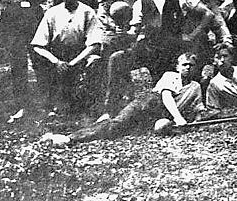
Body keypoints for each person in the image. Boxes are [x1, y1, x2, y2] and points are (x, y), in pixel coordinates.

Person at [105, 0, 215, 112]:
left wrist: (192, 35)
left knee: (168, 92)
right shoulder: (141, 3)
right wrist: (123, 33)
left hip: (174, 50)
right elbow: (134, 30)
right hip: (150, 49)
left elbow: (208, 14)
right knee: (117, 59)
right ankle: (112, 107)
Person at [58, 52, 205, 145]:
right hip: (149, 103)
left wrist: (193, 124)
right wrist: (178, 118)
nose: (187, 68)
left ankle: (82, 132)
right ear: (178, 67)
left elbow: (197, 109)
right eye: (184, 65)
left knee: (122, 132)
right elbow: (166, 97)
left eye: (191, 65)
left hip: (160, 116)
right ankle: (70, 138)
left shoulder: (195, 86)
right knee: (116, 126)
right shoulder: (170, 76)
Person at [30, 0, 97, 114]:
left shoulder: (87, 12)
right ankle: (51, 103)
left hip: (78, 57)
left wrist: (74, 62)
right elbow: (38, 45)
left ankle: (86, 102)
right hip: (56, 58)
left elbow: (94, 43)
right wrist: (56, 62)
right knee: (40, 62)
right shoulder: (51, 13)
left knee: (95, 61)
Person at [179, 0, 232, 85]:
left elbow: (218, 22)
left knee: (204, 75)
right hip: (181, 39)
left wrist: (226, 40)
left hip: (200, 40)